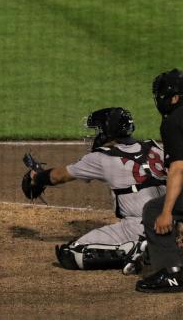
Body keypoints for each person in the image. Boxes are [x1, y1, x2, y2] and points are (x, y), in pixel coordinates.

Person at [23, 107, 166, 273]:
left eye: (98, 130)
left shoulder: (102, 157)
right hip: (171, 220)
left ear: (108, 131)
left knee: (70, 254)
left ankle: (136, 249)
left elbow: (58, 176)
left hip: (139, 226)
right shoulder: (155, 147)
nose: (95, 135)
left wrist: (36, 178)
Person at [136, 69, 183, 293]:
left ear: (174, 98)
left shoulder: (173, 121)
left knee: (154, 210)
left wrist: (167, 211)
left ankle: (171, 273)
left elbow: (179, 168)